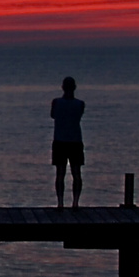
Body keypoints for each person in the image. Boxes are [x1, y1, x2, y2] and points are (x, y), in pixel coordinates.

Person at [51, 76, 85, 208]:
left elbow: (53, 115)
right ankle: (75, 202)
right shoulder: (80, 104)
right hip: (75, 141)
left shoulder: (56, 102)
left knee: (60, 174)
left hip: (60, 141)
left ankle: (60, 203)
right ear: (75, 87)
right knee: (76, 173)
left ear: (62, 87)